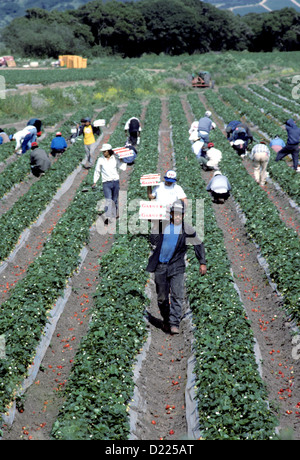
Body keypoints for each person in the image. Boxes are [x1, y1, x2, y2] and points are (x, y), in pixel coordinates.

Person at [146, 199, 207, 335]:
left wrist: (202, 262)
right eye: (176, 213)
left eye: (180, 214)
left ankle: (174, 323)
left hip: (177, 266)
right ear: (172, 214)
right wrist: (154, 226)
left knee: (177, 294)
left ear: (183, 215)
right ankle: (166, 320)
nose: (178, 216)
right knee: (162, 297)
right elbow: (153, 240)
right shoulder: (163, 225)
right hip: (161, 266)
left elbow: (198, 243)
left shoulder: (187, 229)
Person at [92, 143, 127, 222]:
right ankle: (108, 217)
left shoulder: (115, 159)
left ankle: (115, 214)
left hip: (115, 181)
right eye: (103, 151)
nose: (103, 153)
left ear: (109, 151)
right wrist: (95, 181)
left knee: (114, 200)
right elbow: (97, 170)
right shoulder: (100, 159)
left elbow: (123, 168)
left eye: (105, 151)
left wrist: (123, 160)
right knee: (108, 200)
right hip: (106, 183)